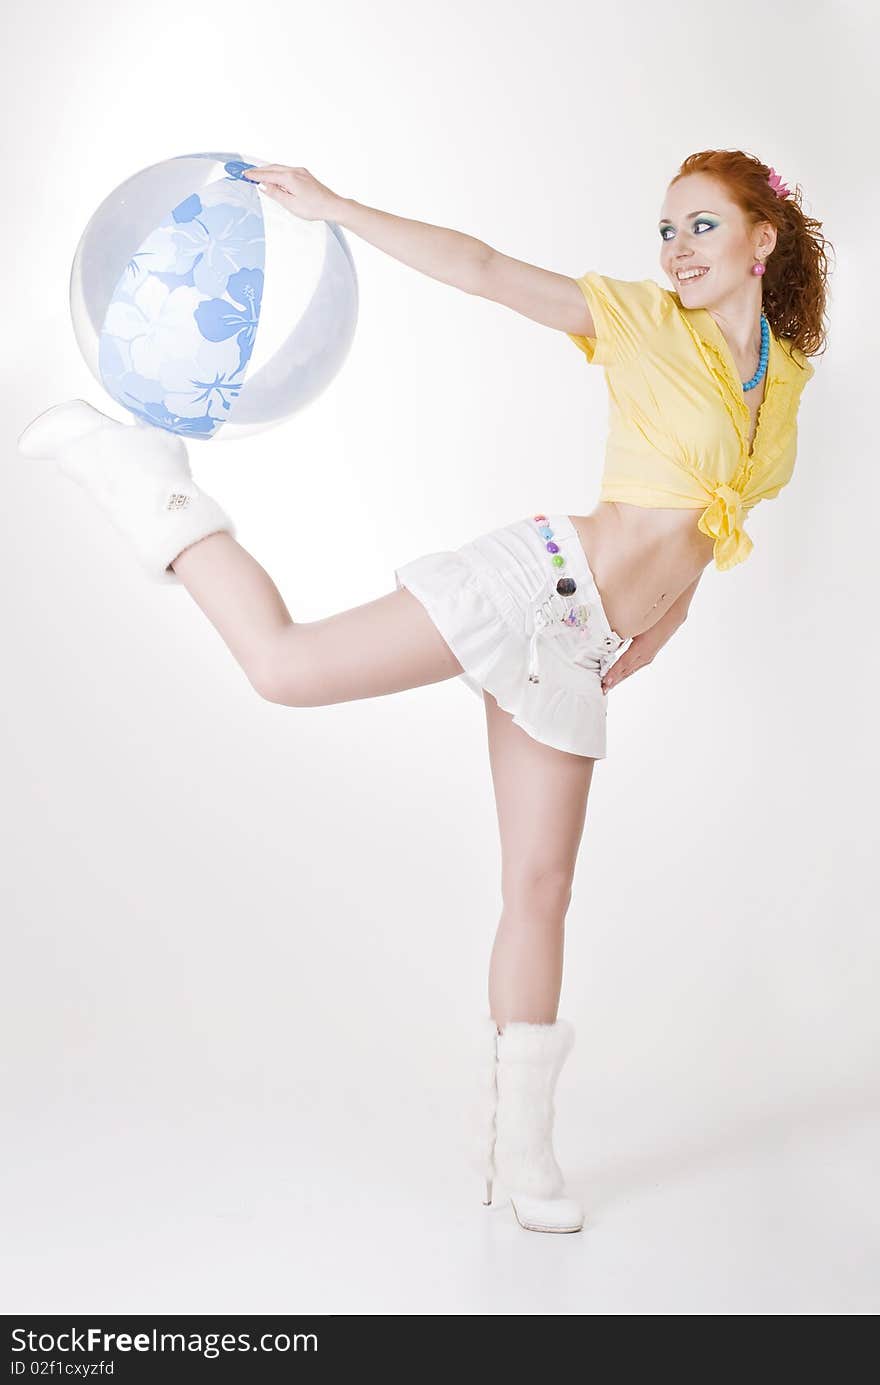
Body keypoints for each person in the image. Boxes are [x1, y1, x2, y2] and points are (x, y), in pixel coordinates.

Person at [17, 149, 831, 1235]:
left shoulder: (781, 385)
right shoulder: (642, 322)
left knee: (539, 887)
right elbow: (487, 268)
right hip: (536, 579)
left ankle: (520, 1151)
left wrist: (657, 631)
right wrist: (338, 207)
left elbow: (717, 520)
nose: (675, 250)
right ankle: (143, 478)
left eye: (699, 228)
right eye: (666, 230)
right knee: (285, 667)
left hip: (583, 641)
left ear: (760, 240)